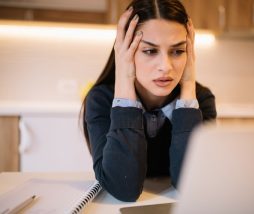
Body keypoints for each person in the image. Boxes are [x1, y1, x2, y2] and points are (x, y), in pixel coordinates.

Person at [82, 0, 217, 202]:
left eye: (178, 51)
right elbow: (123, 188)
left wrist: (188, 86)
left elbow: (191, 184)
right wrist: (124, 81)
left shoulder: (200, 100)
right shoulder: (101, 100)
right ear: (125, 51)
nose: (165, 66)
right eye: (150, 51)